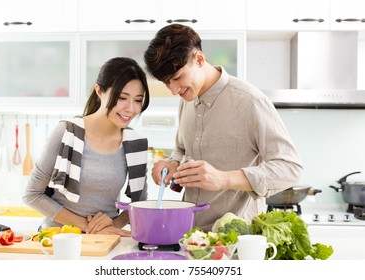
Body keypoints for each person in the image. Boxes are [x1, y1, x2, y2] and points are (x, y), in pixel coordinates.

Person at [144, 24, 303, 231]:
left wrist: (224, 178)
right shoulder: (187, 99)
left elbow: (290, 168)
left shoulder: (250, 101)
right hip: (190, 236)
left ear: (199, 59)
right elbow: (182, 148)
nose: (174, 90)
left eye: (177, 78)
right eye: (167, 83)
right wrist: (173, 164)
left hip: (236, 241)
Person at [23, 57, 150, 236]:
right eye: (122, 97)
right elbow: (32, 195)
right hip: (59, 240)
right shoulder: (68, 132)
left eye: (138, 100)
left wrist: (112, 225)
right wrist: (87, 226)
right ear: (99, 91)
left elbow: (138, 206)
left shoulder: (135, 144)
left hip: (105, 242)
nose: (131, 108)